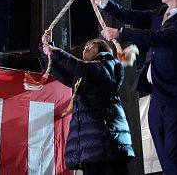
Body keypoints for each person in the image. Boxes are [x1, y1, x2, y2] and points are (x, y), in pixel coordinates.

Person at [84, 0, 177, 175]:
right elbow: (129, 15)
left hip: (176, 99)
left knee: (176, 160)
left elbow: (159, 38)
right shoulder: (159, 13)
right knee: (166, 159)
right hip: (157, 96)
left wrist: (121, 33)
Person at [40, 34, 134, 175]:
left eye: (92, 44)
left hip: (108, 142)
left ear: (102, 49)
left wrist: (56, 51)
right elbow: (59, 70)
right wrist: (45, 48)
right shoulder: (81, 76)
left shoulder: (108, 63)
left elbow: (85, 69)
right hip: (89, 147)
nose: (86, 46)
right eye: (86, 45)